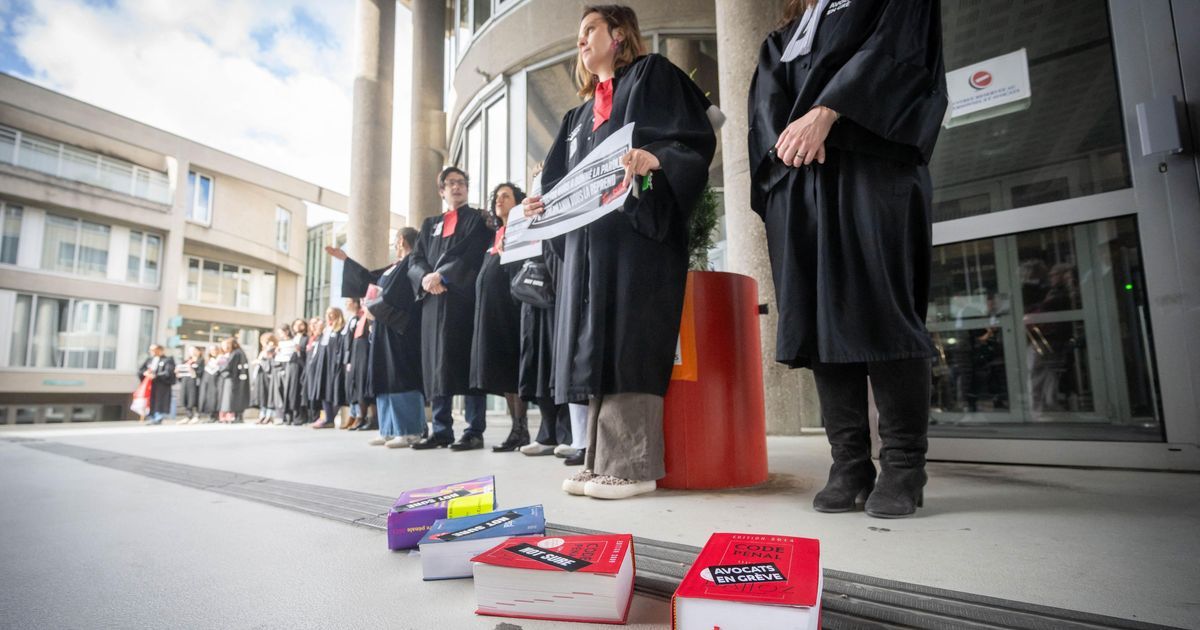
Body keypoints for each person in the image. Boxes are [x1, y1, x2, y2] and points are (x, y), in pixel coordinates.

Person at [748, 0, 948, 518]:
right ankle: (849, 463)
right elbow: (765, 108)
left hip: (871, 167)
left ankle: (904, 463)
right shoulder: (787, 35)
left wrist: (827, 112)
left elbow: (896, 52)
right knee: (819, 319)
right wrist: (785, 153)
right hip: (801, 186)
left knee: (883, 307)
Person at [523, 5, 716, 499]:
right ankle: (599, 459)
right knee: (596, 346)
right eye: (579, 34)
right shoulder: (576, 117)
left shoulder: (650, 77)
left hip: (637, 238)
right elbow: (559, 184)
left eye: (590, 30)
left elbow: (689, 136)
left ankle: (635, 466)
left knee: (630, 338)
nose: (581, 41)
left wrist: (660, 160)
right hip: (592, 248)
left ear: (619, 34)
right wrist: (541, 204)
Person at [407, 166, 493, 451]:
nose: (457, 187)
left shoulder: (476, 219)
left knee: (467, 363)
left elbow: (471, 252)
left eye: (461, 183)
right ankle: (441, 430)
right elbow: (415, 259)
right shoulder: (429, 223)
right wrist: (425, 278)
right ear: (441, 191)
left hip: (462, 300)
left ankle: (474, 430)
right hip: (433, 303)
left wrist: (442, 275)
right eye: (450, 183)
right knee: (436, 366)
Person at [327, 227, 427, 448]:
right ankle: (389, 429)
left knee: (401, 375)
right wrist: (346, 261)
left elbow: (400, 295)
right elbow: (369, 280)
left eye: (395, 240)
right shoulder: (392, 267)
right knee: (383, 375)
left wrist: (373, 306)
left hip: (401, 328)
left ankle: (410, 430)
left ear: (400, 240)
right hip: (383, 327)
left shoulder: (413, 262)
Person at [471, 182, 530, 452]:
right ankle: (516, 428)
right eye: (496, 196)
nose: (499, 200)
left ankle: (522, 429)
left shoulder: (522, 228)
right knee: (505, 372)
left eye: (506, 196)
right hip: (493, 313)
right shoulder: (494, 235)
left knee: (515, 368)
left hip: (513, 309)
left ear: (518, 201)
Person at [312, 308, 348, 429]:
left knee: (334, 390)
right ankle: (328, 418)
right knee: (323, 390)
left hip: (334, 363)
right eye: (327, 315)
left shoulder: (341, 329)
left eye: (331, 315)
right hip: (324, 363)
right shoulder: (326, 329)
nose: (329, 317)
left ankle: (330, 418)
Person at [342, 297, 373, 431]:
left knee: (365, 385)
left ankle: (369, 417)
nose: (362, 303)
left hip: (365, 353)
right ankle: (361, 416)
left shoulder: (368, 316)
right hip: (356, 354)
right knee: (357, 385)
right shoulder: (357, 318)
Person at [137, 345, 177, 425]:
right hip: (150, 385)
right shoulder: (149, 360)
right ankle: (151, 416)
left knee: (160, 400)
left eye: (153, 350)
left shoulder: (167, 360)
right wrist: (145, 373)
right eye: (151, 350)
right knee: (151, 400)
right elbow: (141, 370)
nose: (151, 352)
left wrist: (156, 376)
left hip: (161, 385)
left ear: (160, 350)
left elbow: (168, 372)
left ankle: (158, 417)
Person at [217, 336, 250, 423]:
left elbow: (227, 367)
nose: (226, 347)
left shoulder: (235, 354)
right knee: (236, 398)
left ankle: (235, 417)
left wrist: (220, 364)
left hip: (233, 380)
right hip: (239, 380)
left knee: (232, 399)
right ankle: (237, 417)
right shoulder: (240, 353)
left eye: (228, 344)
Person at [303, 317, 326, 427]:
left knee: (315, 392)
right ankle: (310, 416)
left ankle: (317, 417)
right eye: (311, 324)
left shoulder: (321, 337)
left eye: (315, 324)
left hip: (316, 368)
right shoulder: (311, 338)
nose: (313, 326)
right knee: (308, 392)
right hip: (308, 367)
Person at [252, 333, 278, 425]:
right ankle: (262, 415)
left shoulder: (272, 349)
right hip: (261, 374)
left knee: (268, 396)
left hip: (268, 375)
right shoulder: (264, 350)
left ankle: (269, 416)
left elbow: (270, 361)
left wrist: (259, 361)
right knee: (262, 396)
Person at [175, 346, 204, 424]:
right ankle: (188, 416)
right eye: (190, 351)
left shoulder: (201, 361)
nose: (192, 352)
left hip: (195, 382)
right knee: (186, 398)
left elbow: (201, 373)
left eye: (194, 350)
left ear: (199, 351)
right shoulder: (186, 361)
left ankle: (196, 415)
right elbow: (181, 371)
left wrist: (192, 370)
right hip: (185, 381)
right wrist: (178, 373)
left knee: (194, 398)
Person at [199, 345, 221, 423]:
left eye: (215, 350)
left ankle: (217, 416)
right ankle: (211, 416)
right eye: (212, 350)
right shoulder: (207, 361)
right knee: (208, 399)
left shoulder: (221, 359)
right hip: (207, 382)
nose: (213, 352)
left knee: (216, 399)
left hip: (217, 382)